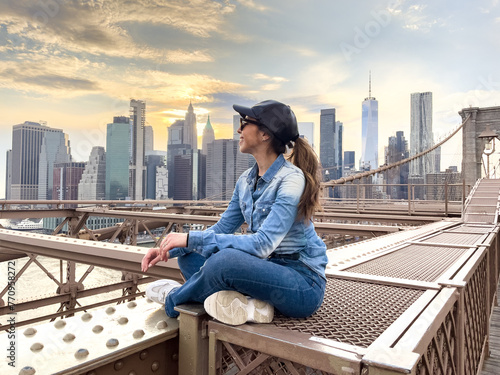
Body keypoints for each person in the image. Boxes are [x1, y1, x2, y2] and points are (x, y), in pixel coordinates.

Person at [141, 100, 327, 326]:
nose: (239, 129)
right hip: (268, 269)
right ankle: (251, 304)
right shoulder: (245, 181)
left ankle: (173, 298)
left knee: (223, 262)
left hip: (302, 284)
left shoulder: (291, 179)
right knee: (190, 257)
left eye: (245, 123)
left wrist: (191, 237)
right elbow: (221, 228)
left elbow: (263, 244)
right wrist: (169, 249)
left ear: (265, 134)